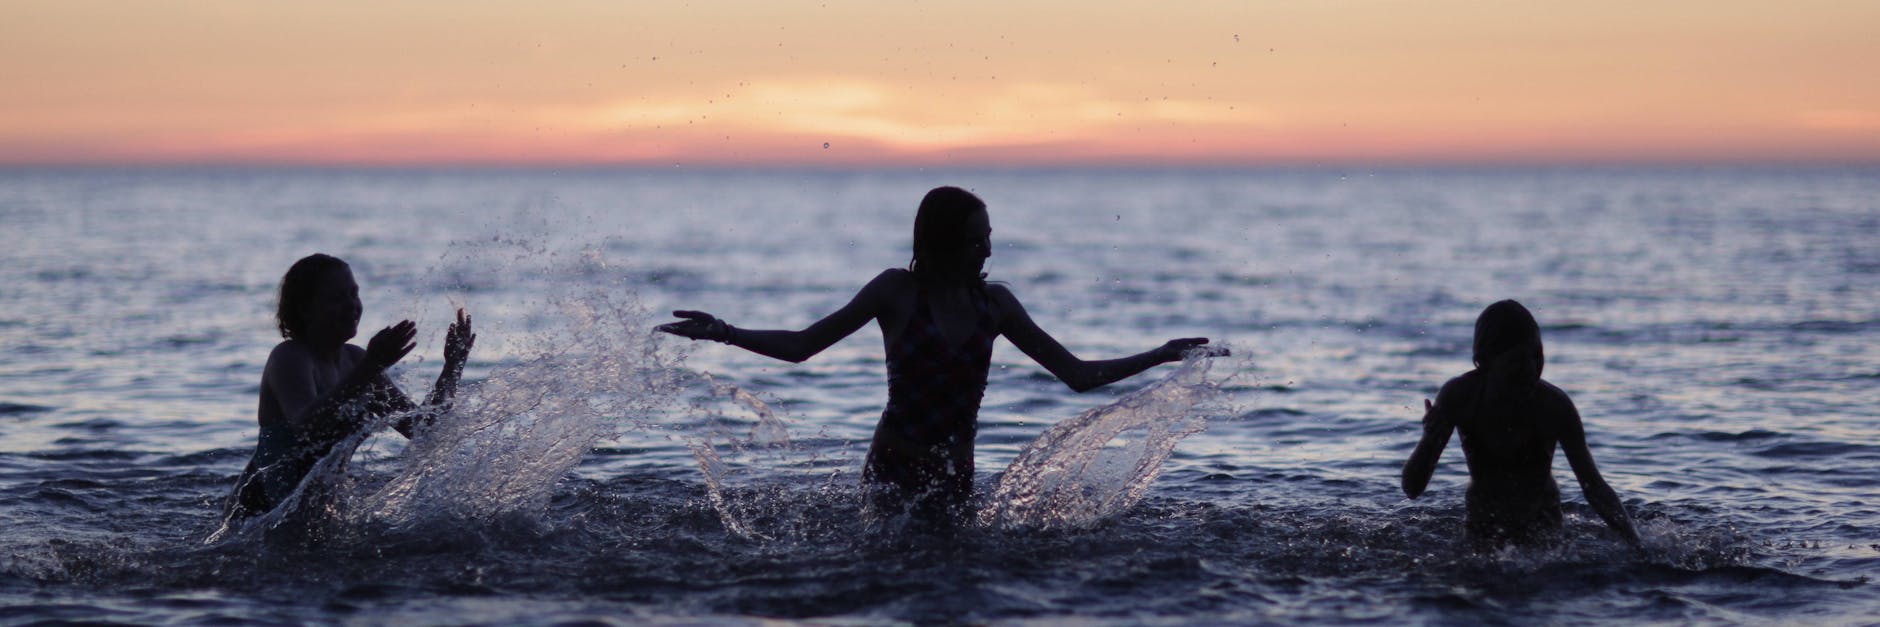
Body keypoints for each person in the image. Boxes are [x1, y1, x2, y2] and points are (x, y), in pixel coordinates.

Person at [658, 186, 1219, 522]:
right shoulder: (895, 292)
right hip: (894, 464)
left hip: (956, 470)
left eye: (989, 236)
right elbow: (805, 346)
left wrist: (1161, 354)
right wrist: (725, 331)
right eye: (976, 239)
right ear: (942, 241)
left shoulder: (994, 305)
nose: (988, 248)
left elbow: (1075, 374)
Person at [222, 253, 474, 524]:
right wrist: (371, 366)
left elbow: (421, 429)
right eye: (337, 298)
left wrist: (454, 365)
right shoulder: (290, 357)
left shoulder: (355, 360)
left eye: (354, 295)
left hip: (315, 509)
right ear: (305, 309)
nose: (352, 306)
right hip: (256, 516)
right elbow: (307, 428)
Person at [1401, 300, 1640, 547]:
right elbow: (1412, 488)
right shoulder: (1461, 397)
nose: (1531, 369)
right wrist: (1429, 441)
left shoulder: (1554, 406)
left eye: (1537, 357)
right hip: (1481, 535)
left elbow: (1594, 486)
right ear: (1484, 362)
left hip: (1544, 539)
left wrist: (1635, 542)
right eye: (1517, 362)